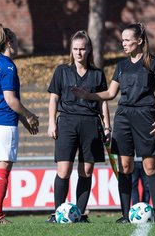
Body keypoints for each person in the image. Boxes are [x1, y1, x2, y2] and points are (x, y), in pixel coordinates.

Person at [72, 23, 155, 223]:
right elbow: (110, 93)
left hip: (146, 116)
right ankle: (125, 214)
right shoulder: (121, 66)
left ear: (139, 41)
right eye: (122, 40)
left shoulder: (154, 63)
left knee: (151, 167)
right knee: (125, 166)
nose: (123, 43)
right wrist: (88, 95)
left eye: (126, 40)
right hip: (124, 117)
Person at [45, 30, 111, 223]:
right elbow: (54, 98)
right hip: (67, 123)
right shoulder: (62, 71)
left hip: (91, 124)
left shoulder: (97, 74)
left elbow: (103, 101)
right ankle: (58, 214)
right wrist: (51, 122)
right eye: (75, 49)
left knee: (86, 171)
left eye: (82, 49)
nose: (78, 53)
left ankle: (79, 214)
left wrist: (107, 126)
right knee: (63, 171)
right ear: (71, 50)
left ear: (89, 49)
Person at [0, 23, 39, 224]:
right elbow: (10, 99)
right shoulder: (8, 66)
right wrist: (30, 115)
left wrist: (24, 121)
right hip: (4, 123)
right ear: (9, 42)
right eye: (15, 41)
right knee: (2, 170)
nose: (17, 44)